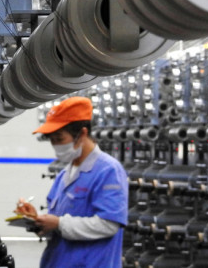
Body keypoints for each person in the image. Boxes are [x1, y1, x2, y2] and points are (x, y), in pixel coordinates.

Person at [15, 96, 128, 268]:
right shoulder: (64, 174)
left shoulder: (108, 170)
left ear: (82, 134)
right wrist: (37, 220)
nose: (55, 146)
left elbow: (108, 224)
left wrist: (59, 223)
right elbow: (59, 227)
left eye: (59, 139)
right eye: (52, 140)